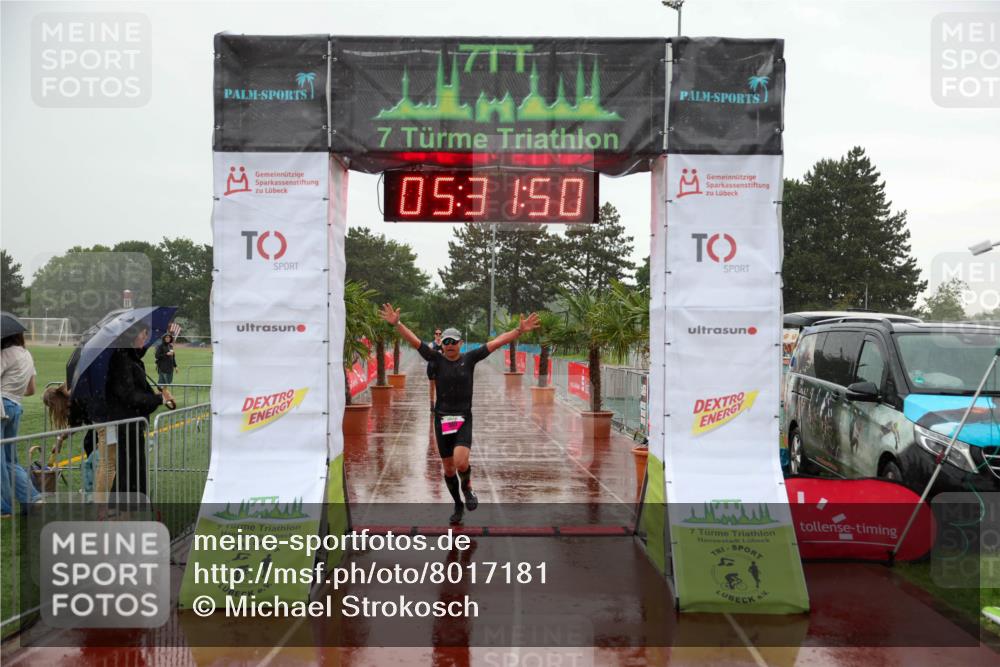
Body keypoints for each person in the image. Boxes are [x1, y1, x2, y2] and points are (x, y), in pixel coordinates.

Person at [379, 304, 539, 524]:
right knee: (448, 468)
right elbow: (414, 341)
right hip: (442, 419)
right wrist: (397, 324)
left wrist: (519, 331)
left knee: (461, 462)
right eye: (446, 342)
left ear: (460, 343)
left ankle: (468, 488)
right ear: (442, 345)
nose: (449, 345)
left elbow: (496, 342)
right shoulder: (436, 359)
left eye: (453, 342)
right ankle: (457, 504)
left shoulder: (470, 358)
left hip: (463, 418)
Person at [96, 322, 173, 500]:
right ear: (132, 335)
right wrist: (158, 399)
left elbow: (137, 391)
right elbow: (129, 396)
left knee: (132, 471)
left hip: (133, 425)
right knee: (127, 472)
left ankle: (131, 507)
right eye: (143, 334)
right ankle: (121, 509)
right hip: (125, 424)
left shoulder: (130, 357)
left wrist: (157, 397)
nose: (146, 337)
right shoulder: (121, 359)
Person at [1, 332, 41, 516]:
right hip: (16, 406)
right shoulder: (27, 354)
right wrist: (12, 392)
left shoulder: (5, 353)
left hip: (2, 404)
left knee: (2, 461)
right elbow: (31, 389)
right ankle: (32, 498)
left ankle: (4, 507)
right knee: (10, 460)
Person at [427, 328, 443, 411]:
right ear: (434, 335)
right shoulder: (431, 345)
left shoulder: (444, 344)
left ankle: (439, 403)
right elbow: (428, 355)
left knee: (440, 387)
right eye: (437, 334)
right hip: (432, 367)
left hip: (441, 368)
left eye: (440, 334)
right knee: (432, 387)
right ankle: (432, 404)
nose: (438, 335)